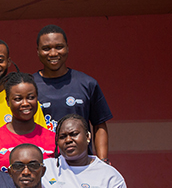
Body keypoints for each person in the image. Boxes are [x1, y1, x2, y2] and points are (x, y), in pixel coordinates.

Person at [33, 25, 113, 159]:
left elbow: (99, 124)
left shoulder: (87, 83)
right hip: (42, 164)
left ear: (67, 48)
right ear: (38, 51)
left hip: (81, 164)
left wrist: (102, 161)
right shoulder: (28, 86)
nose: (53, 53)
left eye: (59, 47)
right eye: (46, 48)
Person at [0, 73, 57, 172]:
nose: (25, 103)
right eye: (18, 99)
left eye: (31, 97)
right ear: (8, 101)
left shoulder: (53, 140)